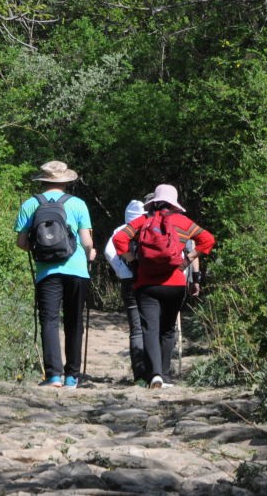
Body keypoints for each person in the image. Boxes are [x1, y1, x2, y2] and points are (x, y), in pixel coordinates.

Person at [111, 184, 214, 389]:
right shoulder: (183, 222)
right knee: (167, 330)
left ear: (154, 202)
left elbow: (119, 238)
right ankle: (166, 376)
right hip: (175, 283)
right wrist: (188, 260)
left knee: (150, 329)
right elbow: (207, 240)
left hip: (146, 284)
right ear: (174, 204)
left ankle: (154, 375)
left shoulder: (144, 220)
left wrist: (133, 262)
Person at [14, 160, 95, 388]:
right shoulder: (78, 204)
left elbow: (21, 243)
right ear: (66, 181)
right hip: (77, 269)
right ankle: (72, 376)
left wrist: (42, 249)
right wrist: (91, 253)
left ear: (43, 180)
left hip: (46, 272)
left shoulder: (30, 204)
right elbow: (87, 242)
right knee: (74, 321)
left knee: (49, 321)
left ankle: (53, 376)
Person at [103, 199, 149, 383]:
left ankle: (139, 376)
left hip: (129, 281)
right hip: (151, 280)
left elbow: (109, 252)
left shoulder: (120, 230)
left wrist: (123, 271)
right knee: (154, 326)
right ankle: (156, 372)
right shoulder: (150, 225)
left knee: (136, 329)